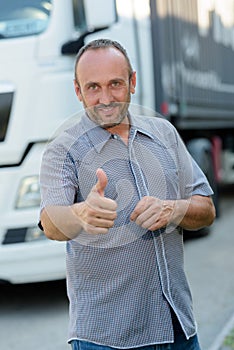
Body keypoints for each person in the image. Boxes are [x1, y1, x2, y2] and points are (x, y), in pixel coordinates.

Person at [39, 39, 216, 350]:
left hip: (179, 330)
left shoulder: (164, 134)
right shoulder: (62, 150)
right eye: (93, 87)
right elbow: (51, 223)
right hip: (108, 340)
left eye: (116, 84)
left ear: (133, 82)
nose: (105, 98)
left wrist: (173, 210)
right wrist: (81, 214)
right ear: (78, 91)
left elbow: (206, 210)